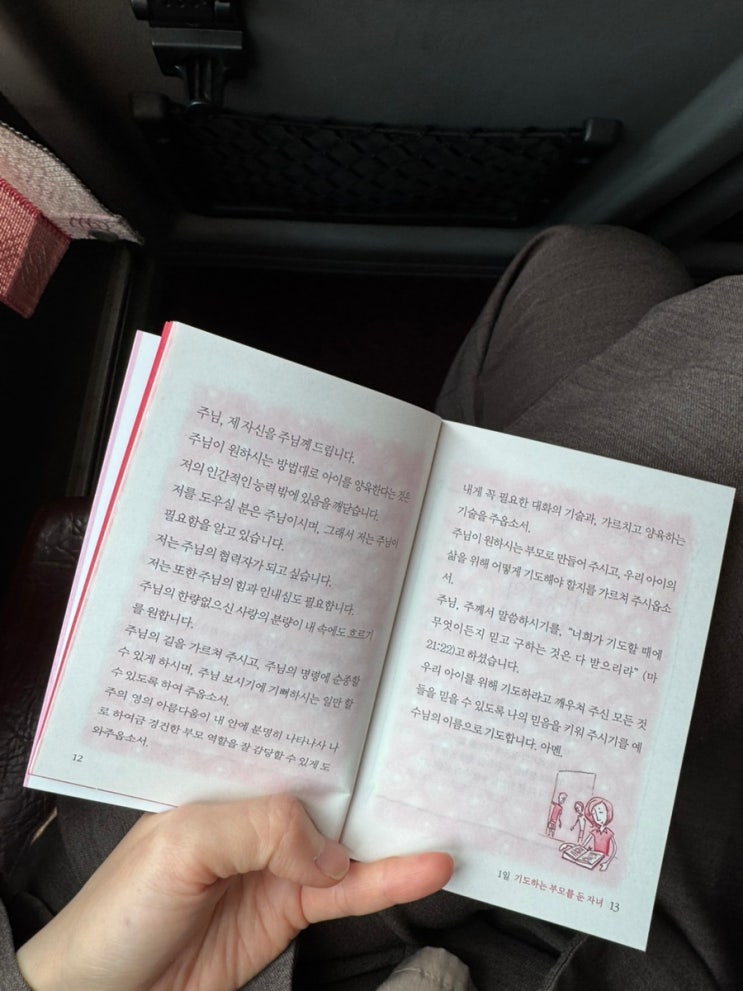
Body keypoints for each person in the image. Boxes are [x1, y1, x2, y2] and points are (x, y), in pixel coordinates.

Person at [2, 224, 742, 990]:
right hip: (616, 929)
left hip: (149, 895)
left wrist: (64, 975)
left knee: (592, 262)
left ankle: (452, 511)